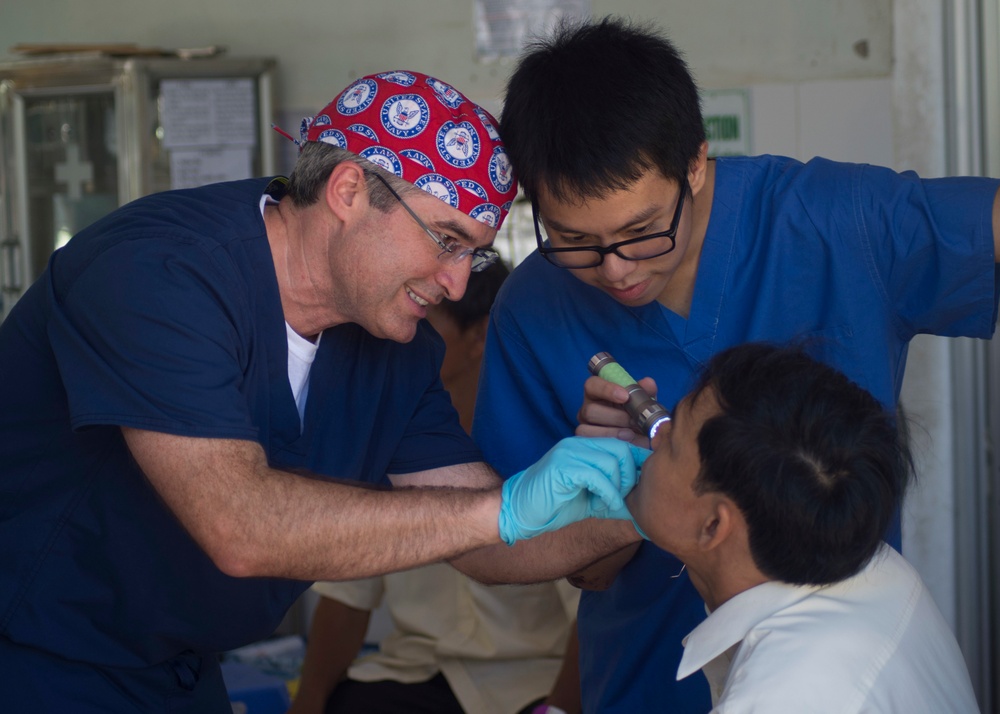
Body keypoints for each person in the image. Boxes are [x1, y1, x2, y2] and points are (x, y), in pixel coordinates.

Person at [0, 70, 645, 712]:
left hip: (174, 671)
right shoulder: (162, 274)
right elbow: (240, 525)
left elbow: (491, 541)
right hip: (34, 654)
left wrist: (646, 495)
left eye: (471, 257)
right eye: (447, 241)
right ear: (348, 191)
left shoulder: (393, 349)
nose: (456, 285)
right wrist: (499, 510)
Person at [471, 16, 1000, 712]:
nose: (617, 270)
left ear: (694, 161)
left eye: (640, 231)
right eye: (573, 240)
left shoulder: (832, 223)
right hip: (645, 681)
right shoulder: (535, 305)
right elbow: (582, 572)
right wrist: (610, 493)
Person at [290, 261, 582, 714]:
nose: (399, 333)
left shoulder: (547, 456)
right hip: (410, 675)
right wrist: (308, 704)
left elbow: (590, 620)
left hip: (527, 687)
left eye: (424, 315)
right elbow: (346, 600)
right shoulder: (381, 441)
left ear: (479, 336)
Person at [627, 341, 979, 712]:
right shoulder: (876, 567)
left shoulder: (779, 699)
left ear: (714, 525)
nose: (654, 435)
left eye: (672, 437)